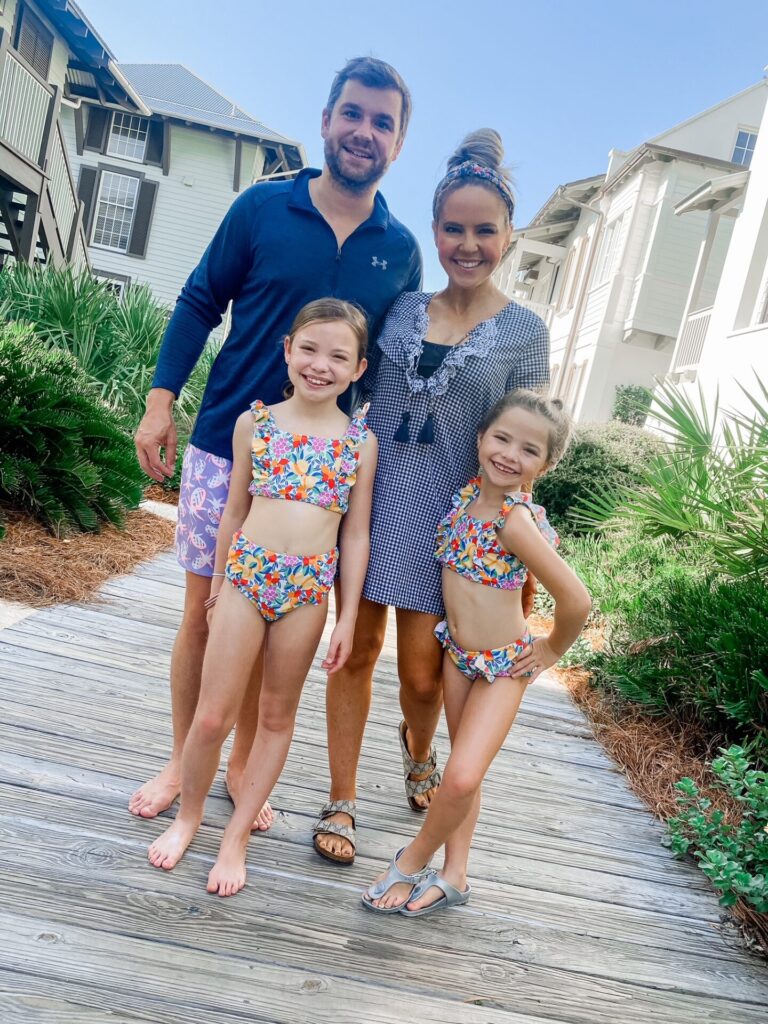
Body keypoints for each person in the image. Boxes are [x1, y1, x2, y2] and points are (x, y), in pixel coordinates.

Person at [129, 57, 421, 828]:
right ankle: (180, 755)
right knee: (206, 613)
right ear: (326, 120)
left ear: (399, 139)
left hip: (320, 471)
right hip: (230, 442)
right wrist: (161, 402)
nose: (364, 131)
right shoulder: (261, 209)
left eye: (382, 121)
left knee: (279, 630)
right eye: (352, 113)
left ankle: (242, 767)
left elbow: (389, 372)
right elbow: (199, 299)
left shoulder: (401, 249)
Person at [314, 130, 549, 865]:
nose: (468, 243)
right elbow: (358, 397)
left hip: (447, 526)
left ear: (509, 236)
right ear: (436, 229)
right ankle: (342, 800)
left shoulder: (525, 333)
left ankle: (419, 752)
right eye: (454, 228)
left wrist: (522, 553)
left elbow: (528, 445)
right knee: (354, 652)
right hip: (369, 504)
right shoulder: (402, 310)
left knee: (423, 673)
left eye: (484, 230)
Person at [147, 299, 376, 896]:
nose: (320, 364)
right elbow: (233, 512)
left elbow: (355, 533)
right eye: (309, 349)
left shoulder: (359, 442)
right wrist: (219, 585)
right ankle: (190, 818)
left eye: (338, 356)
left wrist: (346, 616)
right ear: (287, 351)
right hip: (247, 579)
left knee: (276, 716)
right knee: (213, 715)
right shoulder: (256, 423)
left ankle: (236, 837)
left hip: (307, 591)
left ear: (358, 369)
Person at [362, 389, 591, 914]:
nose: (510, 454)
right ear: (480, 438)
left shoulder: (515, 520)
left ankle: (411, 860)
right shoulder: (466, 497)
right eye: (502, 438)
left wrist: (551, 649)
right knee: (467, 771)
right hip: (457, 657)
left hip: (502, 666)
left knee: (462, 775)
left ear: (546, 464)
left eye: (529, 450)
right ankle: (455, 874)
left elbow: (577, 600)